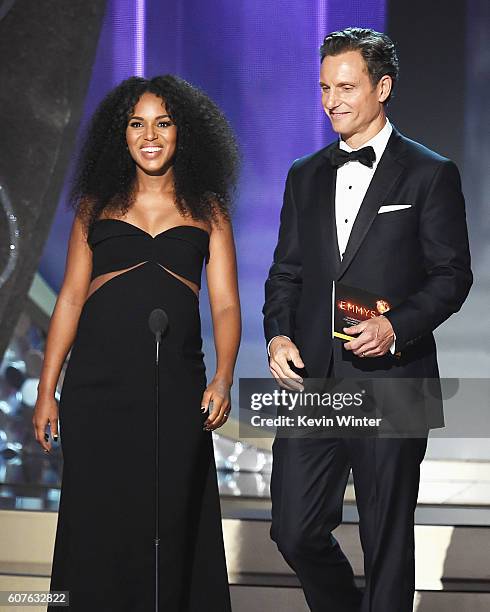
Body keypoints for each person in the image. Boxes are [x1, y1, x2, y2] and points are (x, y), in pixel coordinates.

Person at [263, 28, 472, 612]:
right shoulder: (304, 175)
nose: (333, 100)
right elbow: (286, 272)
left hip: (396, 380)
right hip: (315, 384)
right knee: (294, 529)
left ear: (382, 87)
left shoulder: (431, 173)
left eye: (346, 86)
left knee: (387, 541)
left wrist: (395, 325)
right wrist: (278, 333)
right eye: (325, 87)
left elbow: (452, 277)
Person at [33, 74, 241, 611]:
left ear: (182, 133)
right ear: (120, 135)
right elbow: (71, 300)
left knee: (172, 519)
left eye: (163, 123)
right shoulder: (95, 207)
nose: (150, 135)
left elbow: (224, 304)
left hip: (175, 392)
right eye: (137, 124)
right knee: (98, 523)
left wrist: (223, 375)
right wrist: (46, 388)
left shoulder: (209, 210)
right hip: (96, 393)